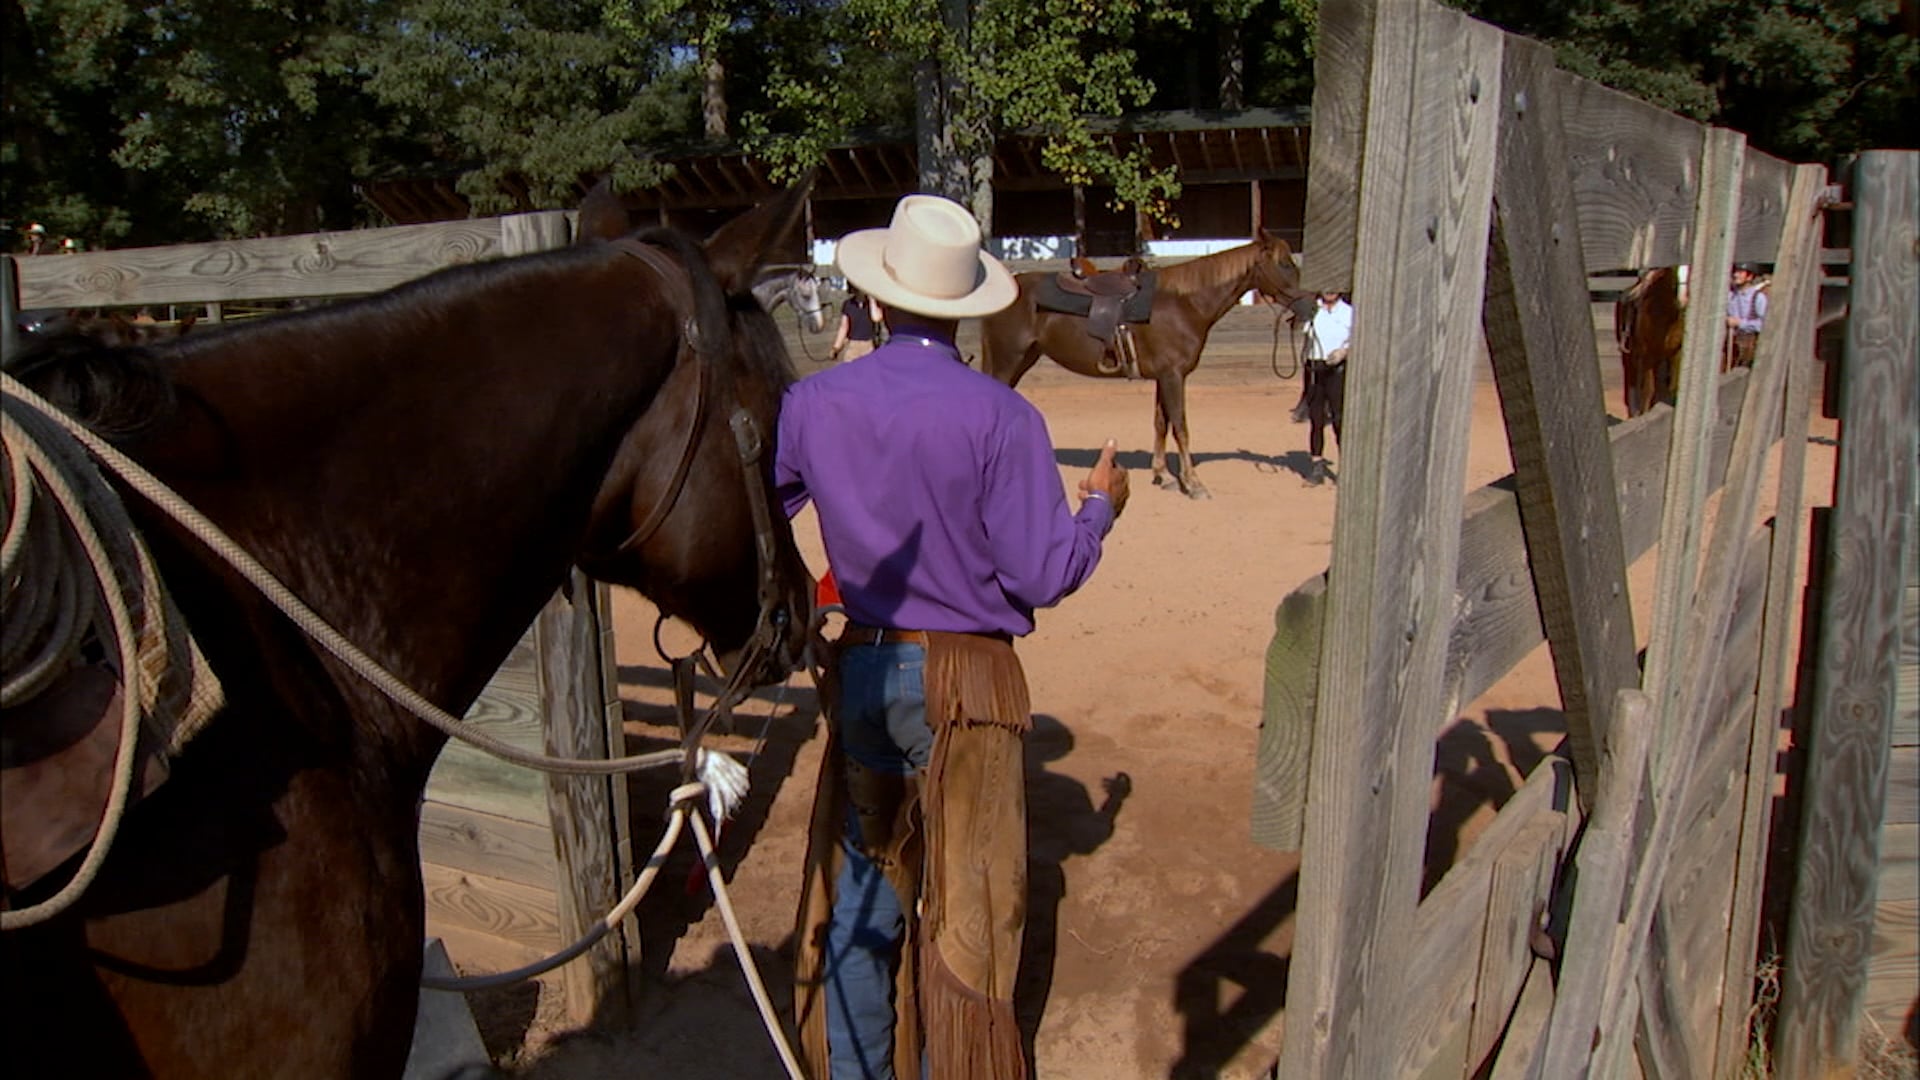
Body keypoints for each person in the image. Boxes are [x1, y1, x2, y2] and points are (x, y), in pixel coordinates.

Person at [778, 192, 1130, 1080]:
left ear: (880, 298)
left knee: (862, 897)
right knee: (970, 918)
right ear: (964, 306)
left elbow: (760, 514)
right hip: (974, 680)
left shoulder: (813, 402)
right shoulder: (1005, 419)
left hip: (865, 662)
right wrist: (1098, 509)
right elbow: (1046, 573)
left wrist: (800, 602)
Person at [1300, 290, 1352, 484]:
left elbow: (1358, 337)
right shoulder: (1313, 310)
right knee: (1316, 418)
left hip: (1336, 367)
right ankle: (1317, 465)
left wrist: (1344, 351)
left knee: (1339, 417)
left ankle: (1346, 466)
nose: (1329, 291)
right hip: (1314, 366)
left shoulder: (1349, 312)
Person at [1724, 262, 1767, 369]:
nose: (1735, 275)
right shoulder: (1731, 296)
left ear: (1750, 276)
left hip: (1750, 346)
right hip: (1732, 344)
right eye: (1735, 272)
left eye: (1740, 272)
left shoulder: (1758, 298)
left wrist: (1740, 323)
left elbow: (1765, 325)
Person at [830, 284, 882, 361]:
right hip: (852, 345)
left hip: (868, 345)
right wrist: (836, 347)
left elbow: (876, 318)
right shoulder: (848, 304)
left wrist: (872, 300)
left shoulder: (873, 305)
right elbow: (844, 327)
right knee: (849, 370)